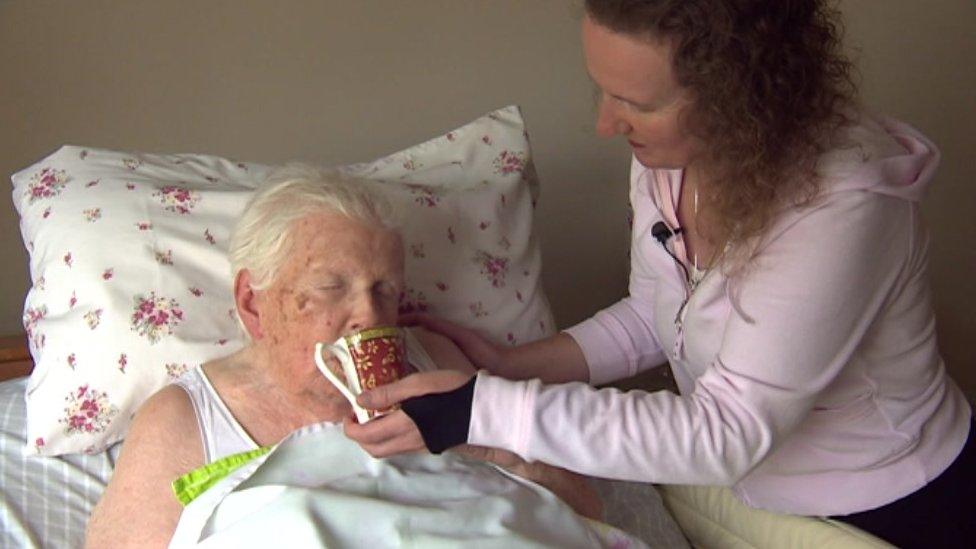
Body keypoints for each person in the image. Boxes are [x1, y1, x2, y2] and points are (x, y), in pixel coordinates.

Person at [344, 1, 975, 547]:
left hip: (887, 506)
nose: (605, 124)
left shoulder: (843, 206)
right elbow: (657, 314)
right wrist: (514, 365)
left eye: (636, 102)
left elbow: (728, 431)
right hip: (749, 494)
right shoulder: (671, 155)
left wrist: (482, 410)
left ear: (742, 98)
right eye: (604, 90)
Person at [85, 166, 601, 548]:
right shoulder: (184, 419)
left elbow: (582, 510)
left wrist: (479, 443)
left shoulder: (435, 361)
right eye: (332, 287)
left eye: (386, 289)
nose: (370, 316)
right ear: (253, 304)